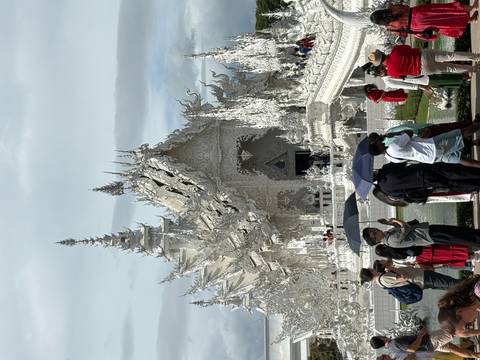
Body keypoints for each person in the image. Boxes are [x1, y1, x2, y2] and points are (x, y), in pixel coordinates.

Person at [367, 122, 480, 168]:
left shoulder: (390, 158)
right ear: (377, 146)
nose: (379, 141)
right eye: (376, 142)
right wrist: (394, 134)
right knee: (459, 133)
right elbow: (409, 132)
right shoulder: (392, 147)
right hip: (432, 145)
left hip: (431, 158)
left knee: (459, 159)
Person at [373, 162, 480, 204]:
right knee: (458, 172)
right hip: (424, 170)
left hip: (426, 184)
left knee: (452, 184)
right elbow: (402, 163)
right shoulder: (386, 169)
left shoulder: (387, 191)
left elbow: (404, 194)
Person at [370, 2, 478, 41]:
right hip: (418, 13)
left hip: (417, 27)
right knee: (446, 10)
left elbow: (404, 35)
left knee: (445, 24)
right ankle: (472, 7)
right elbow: (405, 7)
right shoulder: (391, 9)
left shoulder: (390, 28)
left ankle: (472, 20)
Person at [362, 218, 480, 250]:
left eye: (373, 229)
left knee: (457, 232)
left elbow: (399, 229)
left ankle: (476, 235)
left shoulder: (388, 235)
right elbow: (406, 227)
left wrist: (389, 223)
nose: (376, 230)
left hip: (426, 231)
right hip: (428, 235)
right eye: (374, 233)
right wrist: (396, 220)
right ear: (376, 240)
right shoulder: (391, 240)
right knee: (458, 236)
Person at [368, 45, 480, 77]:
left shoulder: (391, 72)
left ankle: (473, 69)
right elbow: (409, 48)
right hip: (423, 56)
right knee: (450, 56)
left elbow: (405, 75)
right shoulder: (395, 50)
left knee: (450, 68)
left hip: (423, 70)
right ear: (382, 53)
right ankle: (476, 57)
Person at [375, 243, 471, 268]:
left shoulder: (393, 257)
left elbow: (408, 261)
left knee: (446, 258)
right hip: (422, 252)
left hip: (421, 259)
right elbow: (408, 251)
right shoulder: (394, 248)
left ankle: (470, 257)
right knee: (445, 250)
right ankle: (469, 252)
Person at [370, 329, 434, 358]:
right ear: (381, 338)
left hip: (430, 350)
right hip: (430, 342)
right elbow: (412, 349)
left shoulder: (391, 350)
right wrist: (420, 335)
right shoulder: (395, 343)